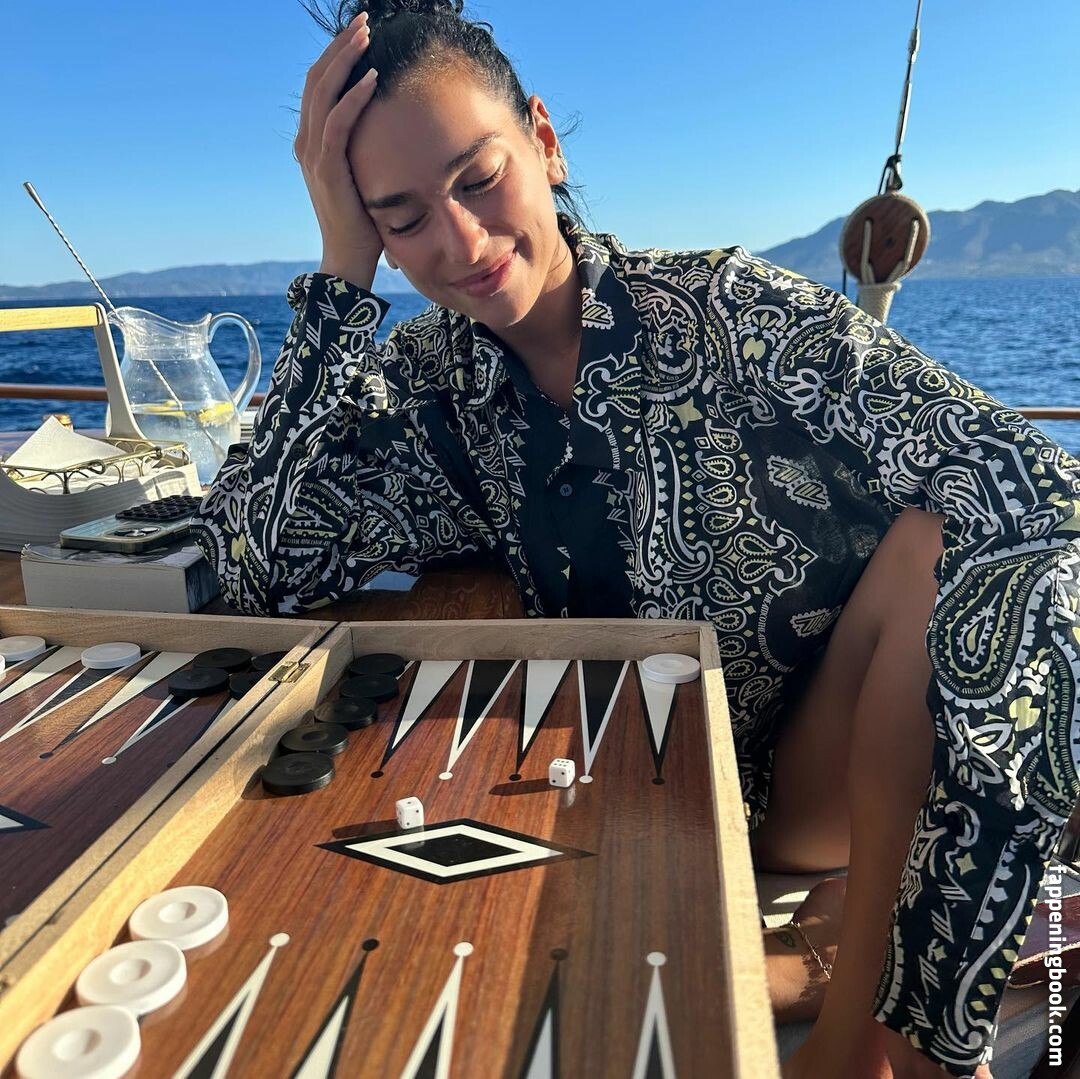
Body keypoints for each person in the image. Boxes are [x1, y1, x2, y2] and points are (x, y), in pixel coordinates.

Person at [189, 2, 1080, 1075]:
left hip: (818, 779)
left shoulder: (736, 315)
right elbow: (247, 562)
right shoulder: (436, 388)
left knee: (958, 544)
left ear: (544, 141)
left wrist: (942, 974)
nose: (461, 242)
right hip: (627, 795)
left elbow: (1039, 492)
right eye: (402, 216)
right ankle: (816, 962)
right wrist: (341, 273)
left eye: (480, 177)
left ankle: (872, 1041)